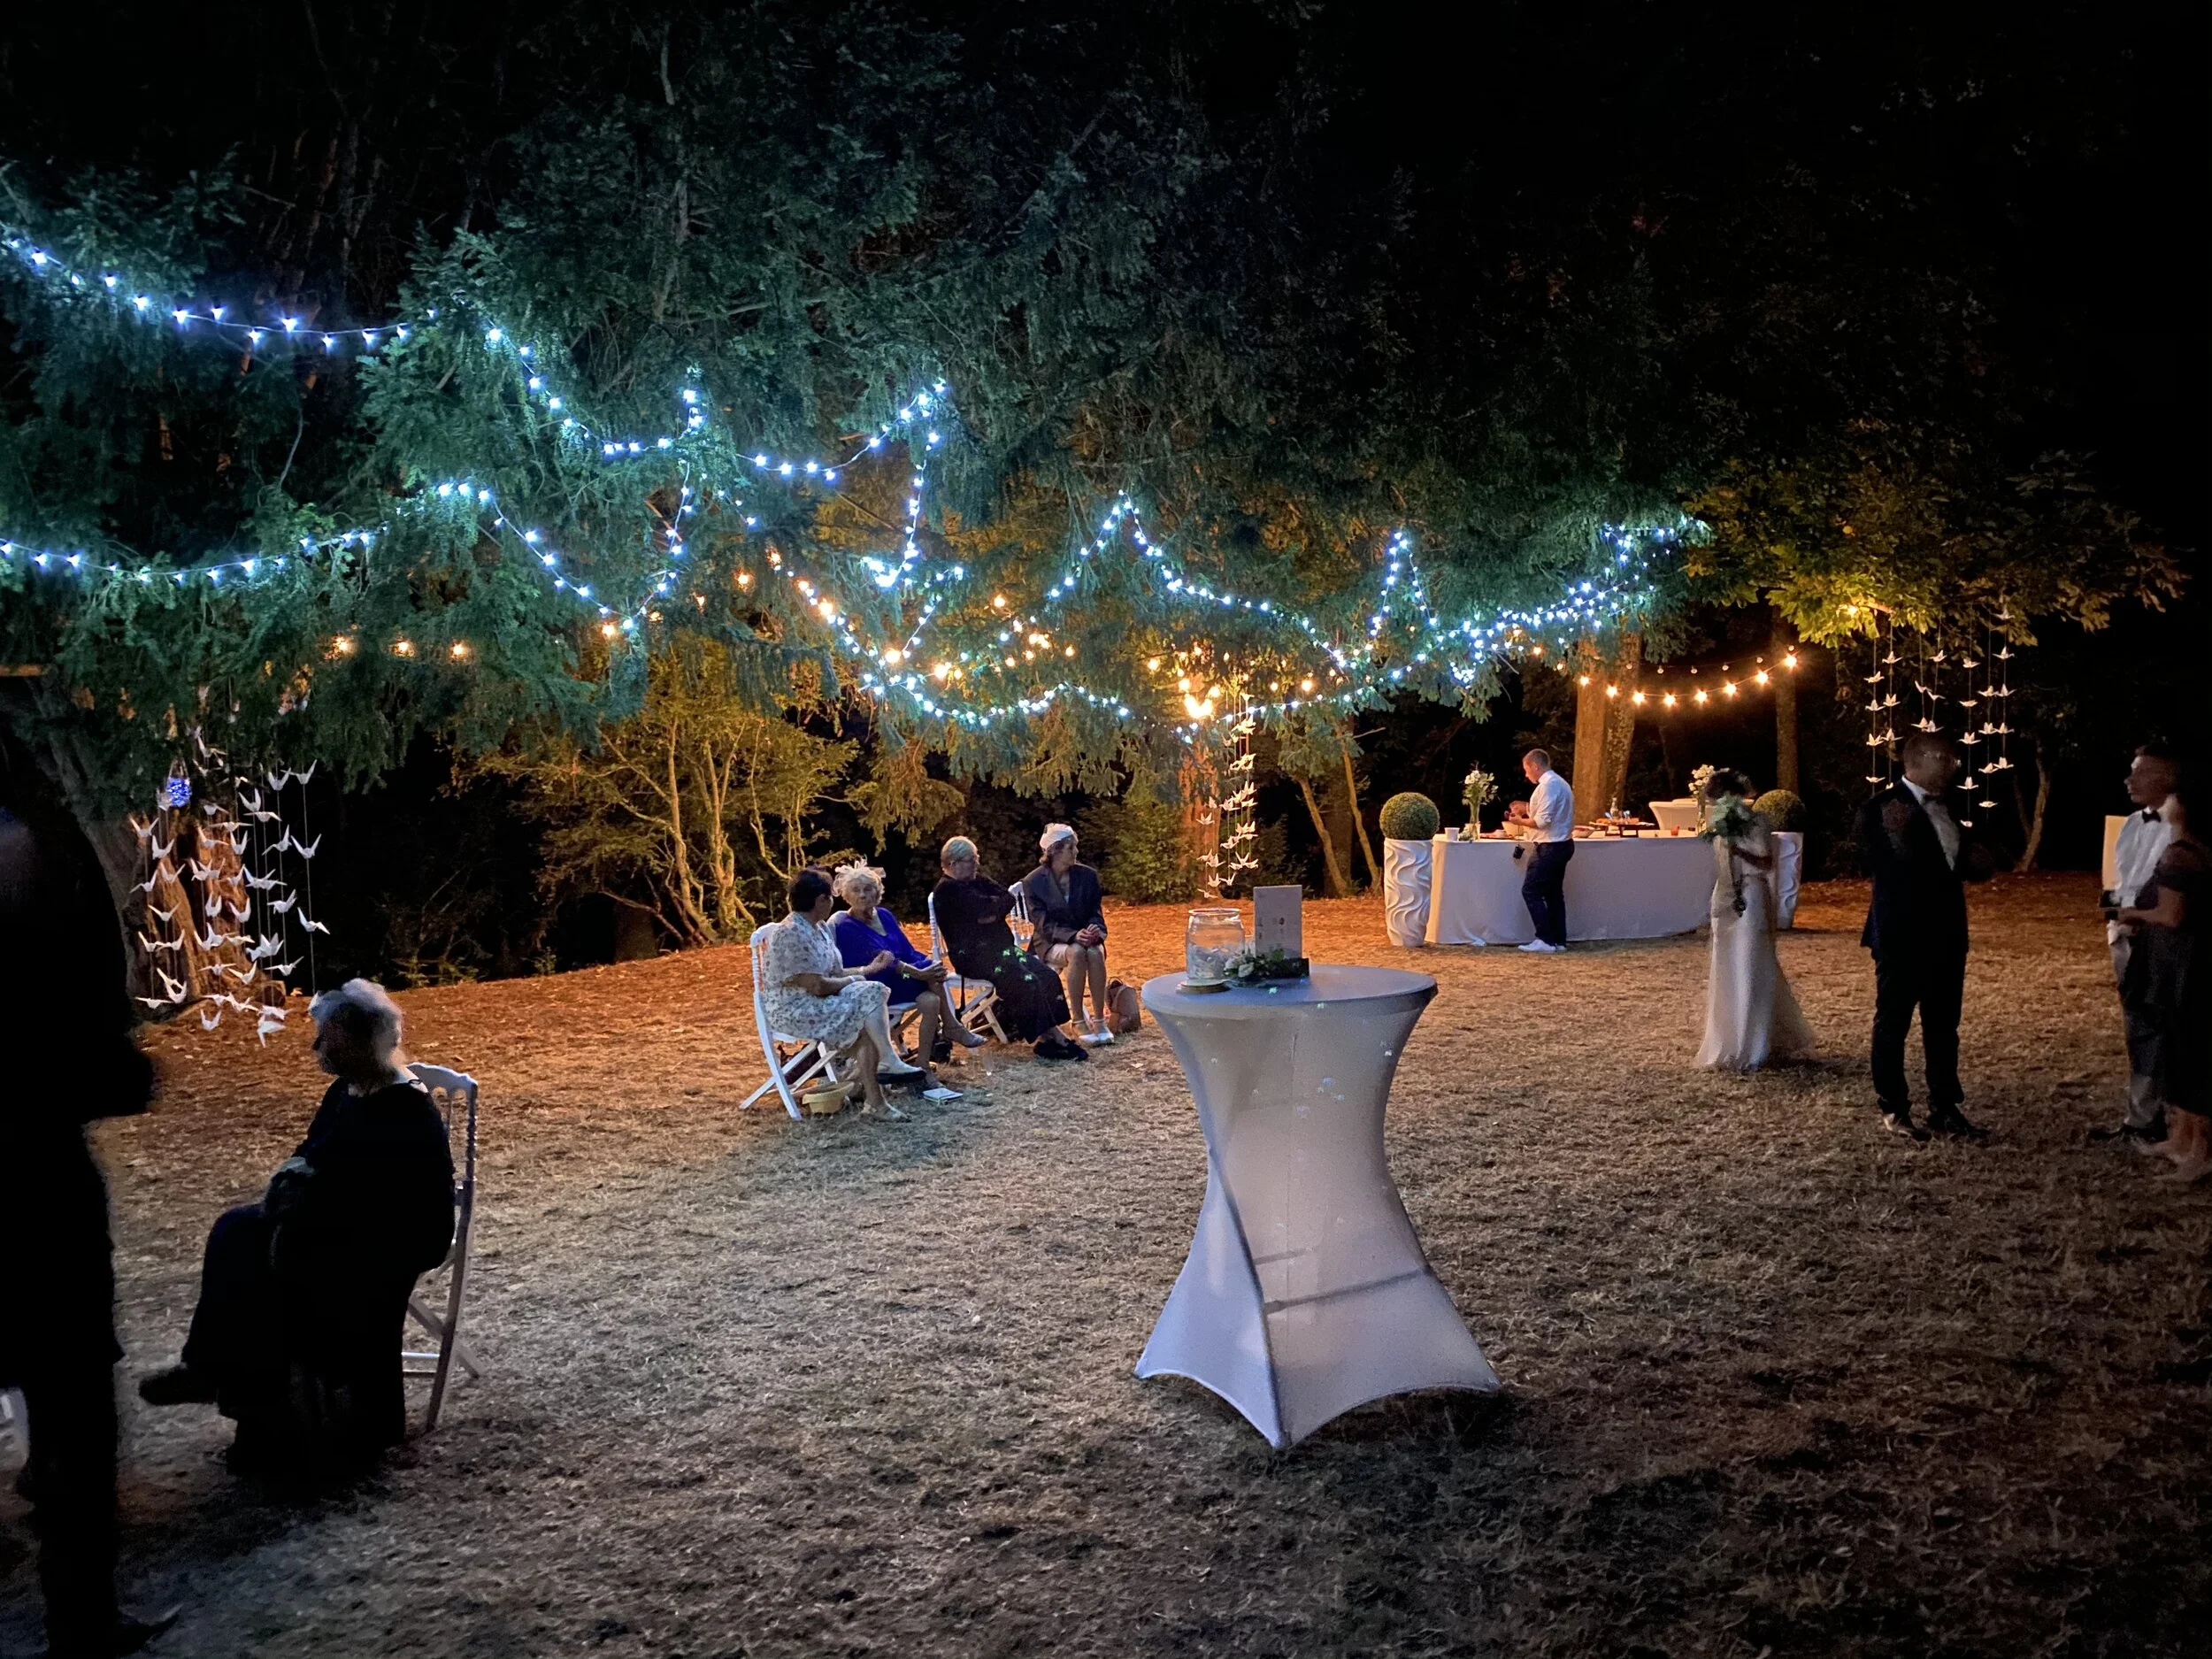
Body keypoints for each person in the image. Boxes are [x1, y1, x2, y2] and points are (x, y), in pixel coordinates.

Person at [0, 733, 174, 1656]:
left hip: (37, 1168)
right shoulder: (34, 852)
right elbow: (83, 1052)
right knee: (72, 1403)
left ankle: (82, 1608)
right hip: (31, 1181)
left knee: (71, 1405)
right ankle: (81, 1612)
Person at [138, 981, 457, 1472]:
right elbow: (314, 1155)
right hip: (345, 1222)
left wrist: (308, 1197)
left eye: (324, 1038)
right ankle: (236, 1389)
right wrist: (293, 1181)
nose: (316, 1049)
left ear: (356, 1039)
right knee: (243, 1236)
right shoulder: (346, 1092)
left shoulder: (402, 1107)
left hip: (394, 1236)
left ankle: (243, 1393)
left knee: (259, 1250)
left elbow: (385, 1197)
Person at [1856, 732, 1993, 1141]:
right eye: (1946, 757)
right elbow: (1877, 863)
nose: (1953, 766)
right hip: (1901, 932)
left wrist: (1979, 863)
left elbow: (1957, 863)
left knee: (1943, 1024)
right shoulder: (1880, 808)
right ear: (1917, 760)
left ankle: (1945, 1105)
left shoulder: (1951, 807)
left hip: (1948, 933)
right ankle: (1894, 1108)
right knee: (1893, 1022)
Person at [759, 867, 930, 1117]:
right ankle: (883, 1077)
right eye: (830, 895)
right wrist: (856, 978)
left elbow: (835, 973)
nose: (833, 900)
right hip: (795, 1008)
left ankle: (880, 1090)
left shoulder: (818, 928)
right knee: (867, 1014)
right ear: (820, 900)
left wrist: (867, 970)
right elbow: (817, 986)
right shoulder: (791, 934)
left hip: (819, 999)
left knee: (874, 991)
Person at [2116, 766, 2208, 1183]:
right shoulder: (2193, 847)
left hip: (2183, 964)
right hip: (2178, 962)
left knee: (2192, 1054)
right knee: (2179, 1048)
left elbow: (2171, 914)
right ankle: (2182, 1136)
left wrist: (2131, 912)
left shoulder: (2182, 852)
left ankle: (2199, 1151)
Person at [1693, 770, 1815, 1071]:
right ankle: (1727, 1040)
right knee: (1726, 967)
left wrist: (1740, 851)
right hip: (1725, 896)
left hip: (1751, 895)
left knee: (1750, 964)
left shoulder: (1757, 822)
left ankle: (1754, 1041)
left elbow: (1766, 862)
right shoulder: (1717, 825)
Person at [930, 836, 1088, 1061]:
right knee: (1025, 981)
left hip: (1002, 950)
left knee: (1046, 975)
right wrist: (988, 912)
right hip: (975, 957)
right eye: (971, 860)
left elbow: (1007, 898)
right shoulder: (948, 890)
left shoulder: (976, 880)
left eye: (976, 858)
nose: (977, 863)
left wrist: (990, 915)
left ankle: (1049, 1036)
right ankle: (1053, 1038)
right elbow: (983, 909)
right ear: (954, 863)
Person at [2092, 743, 2178, 1148]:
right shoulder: (2129, 824)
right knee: (2139, 1026)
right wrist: (2115, 922)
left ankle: (2174, 1120)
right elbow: (2115, 881)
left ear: (2169, 778)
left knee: (2170, 1026)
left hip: (2166, 938)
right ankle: (2141, 1117)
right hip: (2127, 939)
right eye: (2131, 771)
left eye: (2140, 772)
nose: (2130, 780)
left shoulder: (2183, 829)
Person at [829, 864, 984, 1084]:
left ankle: (922, 1067)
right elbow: (884, 962)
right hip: (878, 985)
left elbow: (907, 951)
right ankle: (952, 1027)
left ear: (878, 890)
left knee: (931, 1000)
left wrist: (927, 966)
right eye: (856, 890)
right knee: (931, 977)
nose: (863, 895)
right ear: (846, 895)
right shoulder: (846, 925)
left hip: (903, 977)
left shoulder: (884, 915)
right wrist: (921, 973)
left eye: (868, 888)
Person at [1021, 823, 1113, 1042]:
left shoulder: (1087, 876)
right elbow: (1043, 924)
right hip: (1051, 942)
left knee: (1095, 952)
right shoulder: (1033, 882)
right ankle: (1078, 1020)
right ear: (1055, 850)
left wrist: (1095, 930)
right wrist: (1073, 936)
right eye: (1071, 848)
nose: (1076, 852)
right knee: (1077, 952)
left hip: (1085, 939)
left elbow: (1094, 911)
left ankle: (1099, 1020)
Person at [1506, 748, 1575, 952]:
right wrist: (1526, 808)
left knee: (1531, 890)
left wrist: (1520, 821)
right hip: (1562, 844)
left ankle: (1544, 939)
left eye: (1527, 770)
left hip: (1550, 846)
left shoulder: (1548, 785)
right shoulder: (1558, 783)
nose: (1526, 775)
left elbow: (1543, 821)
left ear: (1536, 766)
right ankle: (1558, 940)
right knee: (1554, 893)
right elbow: (1549, 810)